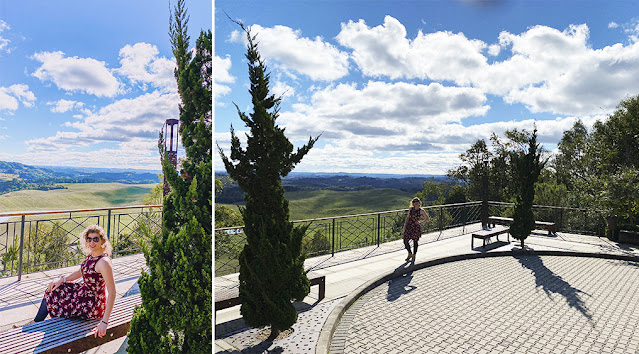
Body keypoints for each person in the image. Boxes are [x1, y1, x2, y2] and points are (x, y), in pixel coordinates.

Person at [34, 225, 116, 339]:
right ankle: (37, 322)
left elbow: (112, 292)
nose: (92, 242)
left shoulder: (104, 262)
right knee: (54, 288)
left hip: (91, 304)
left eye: (95, 239)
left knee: (55, 297)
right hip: (83, 292)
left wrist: (104, 322)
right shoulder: (93, 254)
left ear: (102, 240)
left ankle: (36, 324)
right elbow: (80, 272)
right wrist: (62, 280)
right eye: (89, 239)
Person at [402, 197, 430, 262]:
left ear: (419, 203)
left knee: (415, 241)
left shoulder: (421, 211)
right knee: (405, 240)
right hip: (409, 226)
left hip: (416, 227)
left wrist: (421, 223)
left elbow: (427, 218)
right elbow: (407, 218)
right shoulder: (411, 209)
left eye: (417, 202)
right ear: (413, 203)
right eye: (414, 202)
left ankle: (414, 255)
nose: (416, 203)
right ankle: (410, 253)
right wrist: (404, 226)